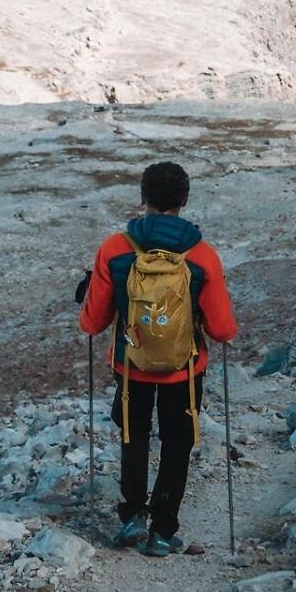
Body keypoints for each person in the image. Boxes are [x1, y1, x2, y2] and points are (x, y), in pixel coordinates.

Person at [78, 161, 238, 557]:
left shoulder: (115, 249)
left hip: (130, 368)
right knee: (177, 442)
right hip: (184, 371)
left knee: (133, 437)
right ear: (184, 200)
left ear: (143, 198)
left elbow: (93, 322)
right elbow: (221, 330)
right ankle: (163, 531)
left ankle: (132, 517)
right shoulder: (202, 256)